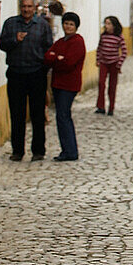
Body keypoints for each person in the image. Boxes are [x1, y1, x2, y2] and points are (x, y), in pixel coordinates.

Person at [0, 0, 53, 161]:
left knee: (37, 114)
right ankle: (17, 151)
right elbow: (2, 44)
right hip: (16, 73)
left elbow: (48, 47)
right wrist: (15, 39)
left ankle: (38, 151)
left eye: (29, 6)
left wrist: (44, 68)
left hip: (37, 73)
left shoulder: (42, 25)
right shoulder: (10, 23)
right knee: (17, 114)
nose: (26, 9)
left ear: (35, 7)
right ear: (20, 7)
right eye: (24, 6)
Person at [45, 11, 86, 162]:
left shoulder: (77, 42)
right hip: (57, 83)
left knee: (63, 116)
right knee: (61, 116)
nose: (68, 26)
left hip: (69, 85)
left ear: (76, 26)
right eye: (66, 23)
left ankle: (70, 151)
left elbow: (68, 63)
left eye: (71, 24)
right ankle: (67, 149)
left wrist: (56, 59)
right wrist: (57, 58)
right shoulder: (61, 41)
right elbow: (47, 57)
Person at [95, 16, 127, 115]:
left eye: (109, 24)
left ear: (114, 25)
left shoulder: (119, 37)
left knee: (112, 86)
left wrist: (119, 64)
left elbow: (124, 51)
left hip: (114, 64)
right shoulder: (103, 36)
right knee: (101, 83)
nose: (106, 26)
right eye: (105, 23)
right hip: (104, 63)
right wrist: (98, 59)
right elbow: (99, 48)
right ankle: (101, 106)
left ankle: (111, 108)